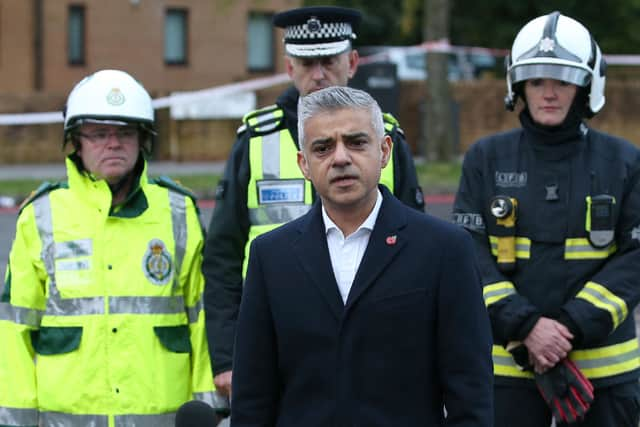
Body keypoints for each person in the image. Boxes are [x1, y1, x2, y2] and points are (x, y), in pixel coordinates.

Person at [230, 86, 493, 426]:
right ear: (303, 164)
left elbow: (470, 394)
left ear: (384, 151)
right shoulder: (270, 256)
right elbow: (253, 398)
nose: (340, 158)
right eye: (322, 148)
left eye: (356, 142)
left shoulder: (445, 250)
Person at [203, 5, 424, 399]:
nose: (318, 74)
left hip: (375, 343)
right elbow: (222, 256)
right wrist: (226, 358)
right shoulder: (256, 140)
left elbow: (420, 253)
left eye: (329, 60)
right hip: (275, 338)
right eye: (307, 62)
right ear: (289, 67)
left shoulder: (386, 138)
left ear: (352, 62)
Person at [0, 69, 224, 426]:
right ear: (77, 141)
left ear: (142, 140)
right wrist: (15, 419)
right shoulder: (41, 215)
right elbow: (14, 329)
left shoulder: (179, 211)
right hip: (67, 419)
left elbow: (202, 319)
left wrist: (209, 409)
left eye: (125, 133)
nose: (113, 143)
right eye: (99, 134)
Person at [453, 11, 640, 427]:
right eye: (537, 81)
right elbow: (468, 254)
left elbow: (635, 257)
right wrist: (527, 326)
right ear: (518, 85)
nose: (549, 93)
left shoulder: (624, 161)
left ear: (587, 85)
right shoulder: (485, 158)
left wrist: (569, 326)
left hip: (604, 375)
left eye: (562, 80)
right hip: (508, 370)